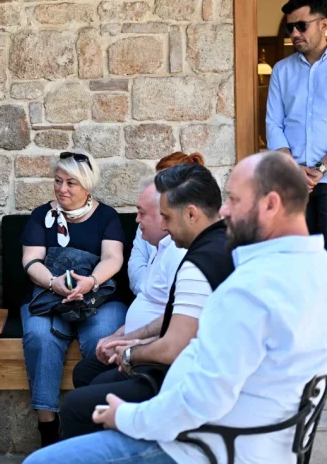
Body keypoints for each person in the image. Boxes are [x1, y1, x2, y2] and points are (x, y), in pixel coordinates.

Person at [23, 151, 327, 464]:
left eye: (234, 200)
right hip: (256, 440)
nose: (224, 210)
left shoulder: (250, 286)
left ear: (271, 204)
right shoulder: (311, 269)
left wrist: (126, 416)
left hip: (204, 445)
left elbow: (202, 399)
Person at [59, 163, 234, 439]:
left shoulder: (198, 263)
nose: (163, 225)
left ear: (191, 214)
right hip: (186, 373)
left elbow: (173, 347)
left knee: (74, 407)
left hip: (180, 384)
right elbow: (179, 320)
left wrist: (130, 353)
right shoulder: (215, 245)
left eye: (166, 217)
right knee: (86, 381)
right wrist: (128, 338)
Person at [20, 150, 127, 447]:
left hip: (98, 296)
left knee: (102, 337)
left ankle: (94, 423)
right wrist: (53, 283)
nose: (62, 189)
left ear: (87, 186)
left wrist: (90, 282)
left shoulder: (107, 216)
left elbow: (113, 258)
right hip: (48, 295)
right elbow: (31, 260)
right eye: (58, 181)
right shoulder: (41, 216)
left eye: (71, 183)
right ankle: (48, 429)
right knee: (40, 337)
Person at [266, 0, 327, 247]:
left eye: (301, 25)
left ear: (323, 24)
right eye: (290, 27)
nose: (294, 33)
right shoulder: (281, 70)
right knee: (296, 254)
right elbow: (274, 123)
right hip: (292, 183)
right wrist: (293, 168)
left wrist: (320, 168)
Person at [128, 152, 205, 295]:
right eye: (157, 182)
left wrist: (153, 293)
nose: (158, 190)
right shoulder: (144, 224)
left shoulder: (187, 238)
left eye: (164, 184)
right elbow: (135, 267)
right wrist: (151, 292)